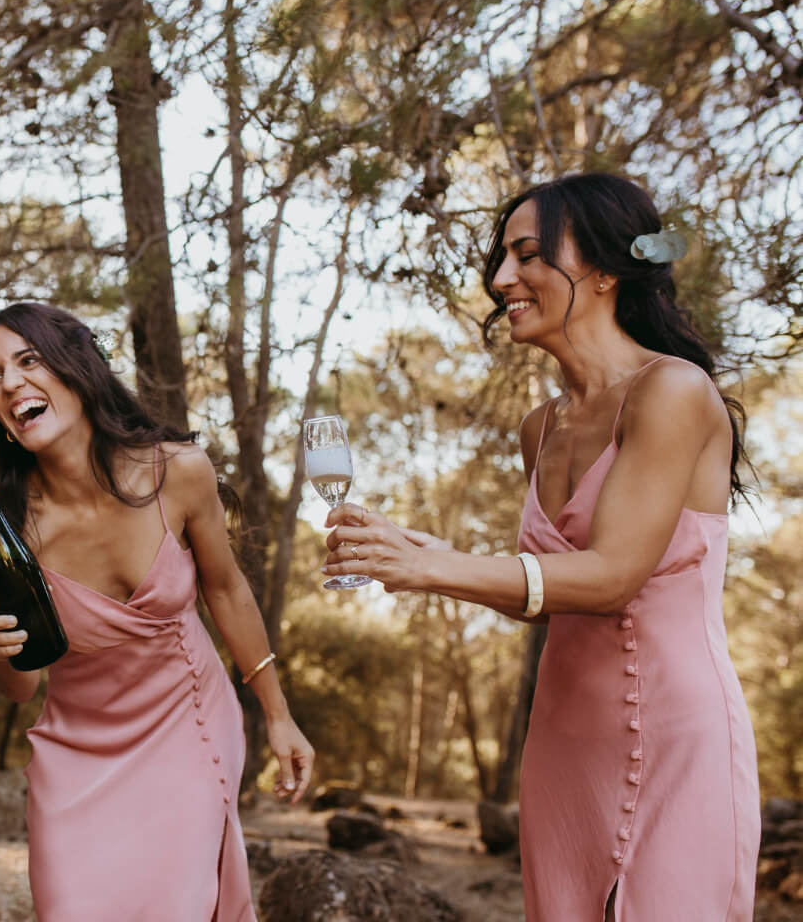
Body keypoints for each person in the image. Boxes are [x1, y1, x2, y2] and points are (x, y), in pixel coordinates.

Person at [321, 173, 759, 921]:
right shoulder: (540, 426)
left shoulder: (675, 392)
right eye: (500, 259)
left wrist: (432, 565)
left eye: (526, 255)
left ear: (602, 269)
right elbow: (549, 599)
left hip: (676, 735)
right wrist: (426, 555)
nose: (500, 280)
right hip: (562, 746)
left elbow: (614, 576)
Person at [0, 302, 313, 922]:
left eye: (29, 360)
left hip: (188, 727)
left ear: (79, 369)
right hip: (74, 757)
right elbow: (18, 688)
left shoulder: (177, 472)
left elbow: (228, 591)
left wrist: (279, 715)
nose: (10, 383)